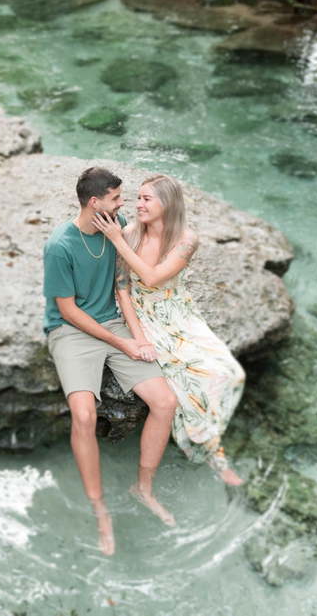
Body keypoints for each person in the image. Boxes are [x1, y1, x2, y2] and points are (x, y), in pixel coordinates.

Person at [44, 167, 180, 557]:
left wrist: (137, 338)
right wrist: (120, 343)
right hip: (71, 330)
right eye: (118, 198)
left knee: (165, 402)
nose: (126, 205)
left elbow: (122, 284)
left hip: (114, 322)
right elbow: (68, 311)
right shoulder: (59, 245)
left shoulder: (115, 225)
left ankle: (144, 488)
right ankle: (99, 508)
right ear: (95, 202)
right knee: (84, 416)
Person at [92, 174, 246, 486]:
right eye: (138, 198)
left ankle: (207, 439)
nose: (138, 205)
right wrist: (139, 337)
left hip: (178, 308)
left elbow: (153, 277)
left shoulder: (186, 239)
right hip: (143, 312)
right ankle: (210, 449)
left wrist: (116, 239)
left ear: (168, 203)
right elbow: (122, 288)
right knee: (198, 374)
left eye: (147, 199)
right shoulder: (130, 233)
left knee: (230, 373)